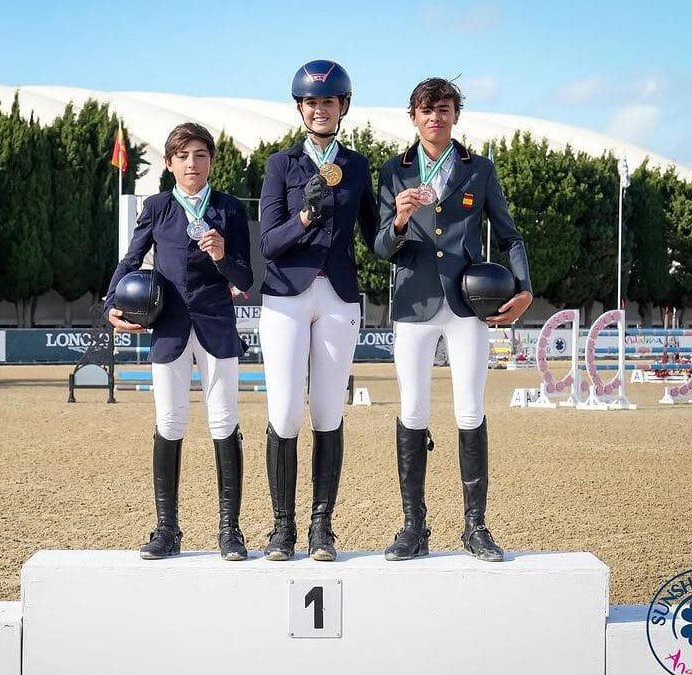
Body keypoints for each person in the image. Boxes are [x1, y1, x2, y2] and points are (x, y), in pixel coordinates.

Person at [374, 78, 533, 563]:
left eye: (443, 109)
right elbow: (380, 248)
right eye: (426, 110)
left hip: (467, 305)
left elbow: (510, 235)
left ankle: (475, 527)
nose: (435, 118)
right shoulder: (392, 172)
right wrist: (398, 221)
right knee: (413, 408)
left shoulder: (479, 169)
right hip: (413, 303)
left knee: (469, 409)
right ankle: (413, 527)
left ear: (455, 116)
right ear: (413, 117)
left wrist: (524, 288)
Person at [104, 123, 254, 561]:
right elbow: (130, 259)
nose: (193, 163)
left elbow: (245, 278)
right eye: (184, 156)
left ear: (211, 162)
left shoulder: (227, 209)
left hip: (216, 325)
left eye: (201, 155)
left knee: (223, 421)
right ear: (170, 164)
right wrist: (110, 304)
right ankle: (167, 529)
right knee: (170, 423)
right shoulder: (157, 207)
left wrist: (223, 255)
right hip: (168, 327)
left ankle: (230, 530)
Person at [258, 59, 378, 561]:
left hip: (338, 296)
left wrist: (406, 226)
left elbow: (375, 236)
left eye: (329, 101)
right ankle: (282, 528)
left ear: (342, 107)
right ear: (301, 108)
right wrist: (305, 216)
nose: (320, 109)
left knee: (328, 410)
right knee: (285, 412)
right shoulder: (279, 165)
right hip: (286, 294)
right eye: (312, 102)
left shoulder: (358, 167)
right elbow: (268, 242)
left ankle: (321, 527)